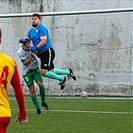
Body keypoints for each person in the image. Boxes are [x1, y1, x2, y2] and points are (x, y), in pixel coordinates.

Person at [27, 13, 76, 90]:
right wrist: (23, 41)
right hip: (42, 54)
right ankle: (68, 72)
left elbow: (44, 41)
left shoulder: (41, 28)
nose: (33, 20)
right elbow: (27, 39)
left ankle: (62, 79)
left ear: (39, 20)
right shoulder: (31, 31)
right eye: (32, 19)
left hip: (47, 51)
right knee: (51, 71)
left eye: (35, 19)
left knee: (43, 72)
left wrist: (35, 47)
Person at [0, 28, 28, 133]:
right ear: (0, 41)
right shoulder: (10, 62)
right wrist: (22, 111)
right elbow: (18, 89)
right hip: (4, 114)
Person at [17, 37, 49, 115]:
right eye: (28, 44)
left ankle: (43, 102)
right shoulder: (20, 52)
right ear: (24, 45)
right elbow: (25, 63)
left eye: (30, 43)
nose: (29, 45)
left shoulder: (32, 47)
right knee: (31, 88)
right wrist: (31, 56)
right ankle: (37, 108)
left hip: (35, 69)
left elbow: (38, 56)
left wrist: (35, 51)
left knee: (40, 84)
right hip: (27, 72)